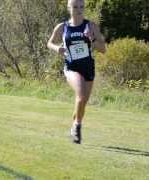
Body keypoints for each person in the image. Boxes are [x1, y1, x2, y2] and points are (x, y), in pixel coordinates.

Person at [47, 0, 106, 144]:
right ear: (68, 8)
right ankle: (77, 127)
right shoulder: (62, 27)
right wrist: (57, 49)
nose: (78, 10)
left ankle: (75, 124)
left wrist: (91, 39)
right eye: (75, 7)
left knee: (82, 102)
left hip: (88, 68)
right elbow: (49, 43)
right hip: (71, 67)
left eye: (81, 7)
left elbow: (103, 49)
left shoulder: (91, 26)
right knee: (80, 94)